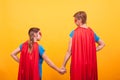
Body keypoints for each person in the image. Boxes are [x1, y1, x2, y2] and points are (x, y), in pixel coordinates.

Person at [61, 11, 105, 80]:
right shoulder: (92, 33)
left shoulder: (73, 33)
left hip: (78, 66)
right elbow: (102, 44)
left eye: (75, 20)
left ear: (80, 20)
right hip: (90, 66)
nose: (74, 22)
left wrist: (63, 66)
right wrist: (92, 51)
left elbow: (69, 52)